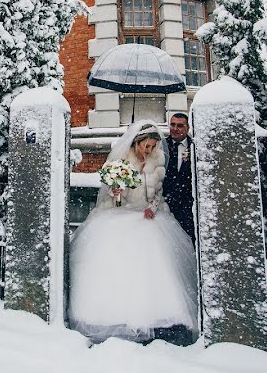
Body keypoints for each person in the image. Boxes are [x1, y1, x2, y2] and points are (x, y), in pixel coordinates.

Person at [68, 120, 199, 344]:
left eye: (152, 147)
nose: (149, 151)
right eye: (145, 146)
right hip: (120, 214)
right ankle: (109, 314)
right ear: (137, 142)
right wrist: (115, 191)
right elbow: (110, 191)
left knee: (155, 259)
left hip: (148, 215)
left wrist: (153, 207)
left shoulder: (157, 159)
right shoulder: (121, 159)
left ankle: (161, 314)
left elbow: (158, 192)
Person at [162, 113, 196, 242]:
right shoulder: (161, 146)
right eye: (172, 124)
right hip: (166, 205)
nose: (175, 128)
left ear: (188, 128)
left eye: (180, 126)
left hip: (188, 207)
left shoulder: (195, 147)